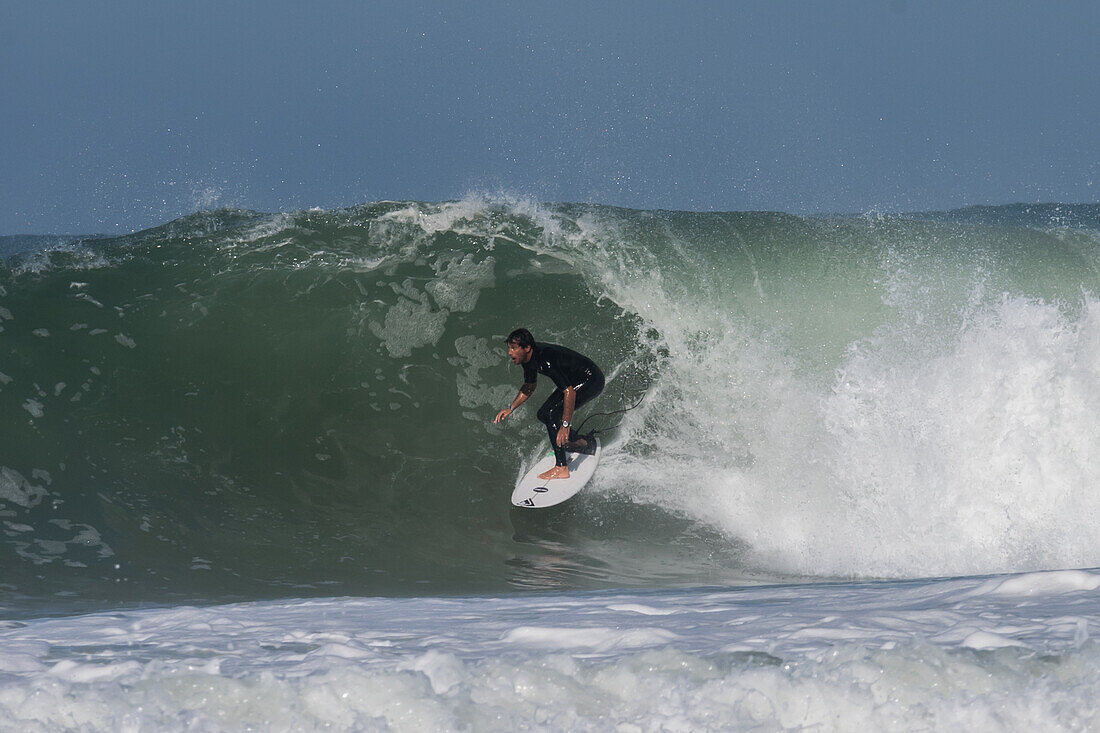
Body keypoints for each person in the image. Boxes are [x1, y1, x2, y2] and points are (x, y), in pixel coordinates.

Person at [493, 328, 604, 480]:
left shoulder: (546, 361)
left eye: (513, 348)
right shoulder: (527, 359)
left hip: (591, 380)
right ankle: (581, 443)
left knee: (552, 413)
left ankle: (561, 467)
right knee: (544, 413)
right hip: (574, 381)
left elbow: (569, 392)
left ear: (526, 348)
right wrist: (511, 408)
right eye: (509, 348)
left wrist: (565, 425)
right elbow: (529, 386)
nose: (510, 353)